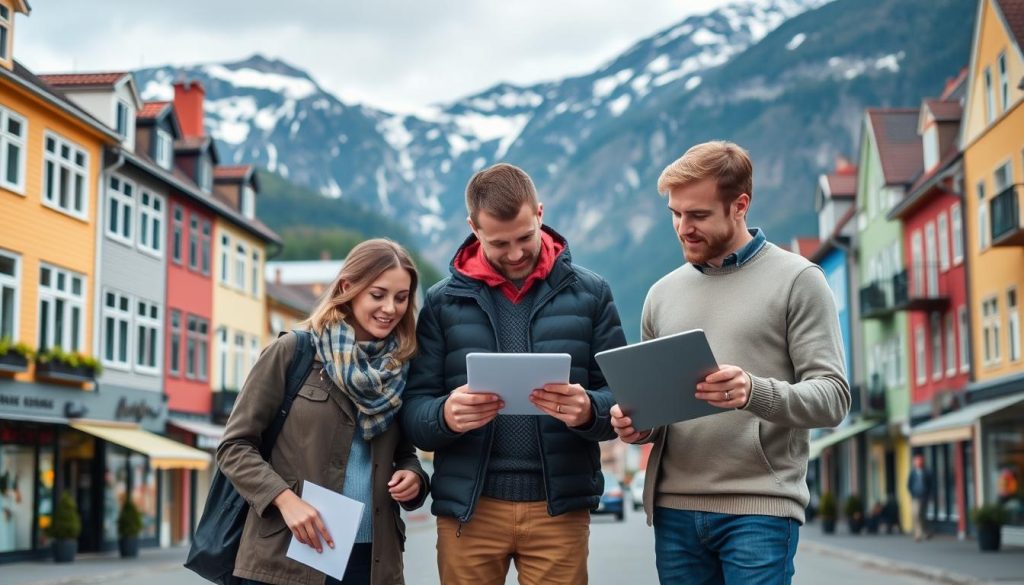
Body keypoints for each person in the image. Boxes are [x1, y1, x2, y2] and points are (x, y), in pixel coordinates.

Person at [610, 141, 850, 585]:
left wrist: (753, 392)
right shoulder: (661, 294)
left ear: (740, 205)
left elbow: (833, 398)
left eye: (697, 215)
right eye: (675, 214)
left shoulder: (799, 280)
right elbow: (660, 410)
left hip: (758, 510)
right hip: (674, 511)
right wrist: (637, 425)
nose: (683, 227)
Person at [399, 163, 626, 585]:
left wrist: (589, 410)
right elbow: (413, 413)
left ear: (540, 213)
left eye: (525, 236)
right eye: (499, 243)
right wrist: (445, 415)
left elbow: (623, 397)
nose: (517, 253)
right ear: (473, 227)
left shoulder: (592, 293)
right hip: (470, 510)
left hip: (558, 509)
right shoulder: (442, 302)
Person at [218, 239, 430, 585]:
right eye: (378, 295)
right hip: (289, 555)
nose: (390, 308)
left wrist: (413, 477)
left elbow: (404, 453)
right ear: (348, 288)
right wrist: (285, 500)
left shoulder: (401, 368)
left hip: (373, 562)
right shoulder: (293, 352)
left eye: (401, 297)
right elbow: (234, 446)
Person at [907, 453, 934, 542]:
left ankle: (926, 531)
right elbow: (909, 485)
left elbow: (931, 485)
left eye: (920, 460)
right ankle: (918, 534)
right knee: (916, 514)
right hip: (915, 497)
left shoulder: (927, 472)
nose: (918, 462)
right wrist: (912, 493)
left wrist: (930, 495)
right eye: (917, 460)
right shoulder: (913, 473)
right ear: (914, 462)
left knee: (922, 515)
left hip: (924, 497)